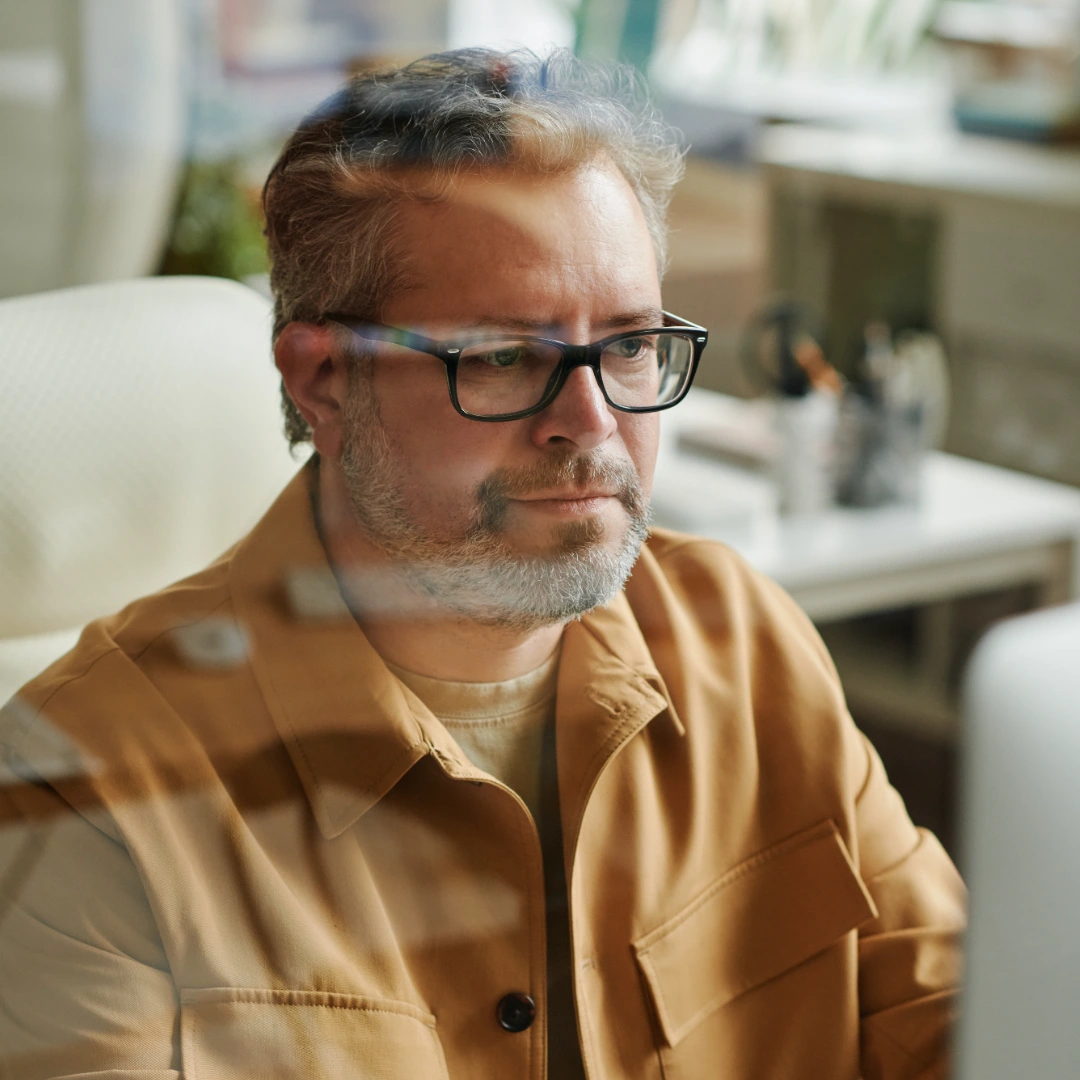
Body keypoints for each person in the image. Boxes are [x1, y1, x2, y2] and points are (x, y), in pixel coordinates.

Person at [0, 48, 964, 1080]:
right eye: (505, 355)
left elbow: (966, 1017)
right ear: (323, 380)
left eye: (629, 345)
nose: (590, 422)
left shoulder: (744, 640)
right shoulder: (82, 795)